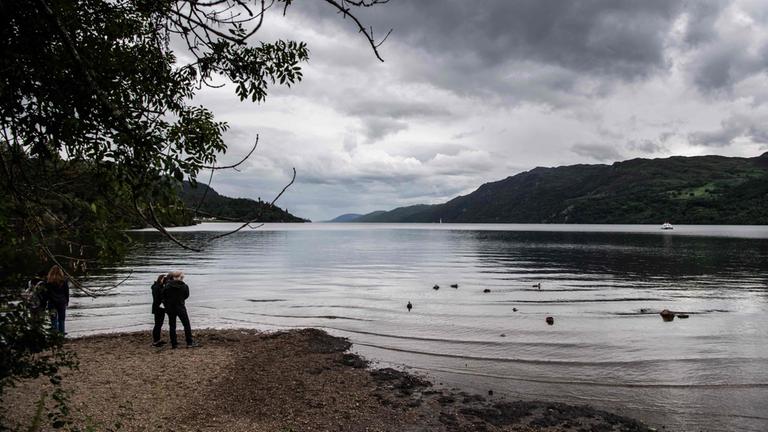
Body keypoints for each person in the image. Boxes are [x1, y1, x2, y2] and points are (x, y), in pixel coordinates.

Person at [161, 271, 199, 348]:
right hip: (180, 307)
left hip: (170, 308)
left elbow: (163, 296)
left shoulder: (167, 286)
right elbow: (186, 295)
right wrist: (180, 300)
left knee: (172, 325)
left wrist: (167, 303)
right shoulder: (184, 286)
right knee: (186, 325)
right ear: (180, 277)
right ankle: (189, 342)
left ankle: (174, 344)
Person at [45, 265, 69, 334]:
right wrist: (67, 301)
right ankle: (62, 333)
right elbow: (66, 292)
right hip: (62, 302)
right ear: (60, 272)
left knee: (53, 319)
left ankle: (54, 334)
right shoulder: (64, 280)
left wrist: (46, 301)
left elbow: (47, 293)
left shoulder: (49, 281)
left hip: (52, 302)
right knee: (61, 319)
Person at [150, 274, 168, 347]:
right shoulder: (156, 287)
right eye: (164, 279)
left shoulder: (159, 287)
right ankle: (156, 341)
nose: (165, 281)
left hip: (160, 307)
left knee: (160, 324)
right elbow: (158, 297)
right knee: (157, 324)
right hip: (158, 308)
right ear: (160, 279)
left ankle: (158, 339)